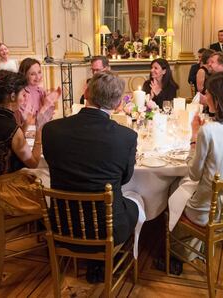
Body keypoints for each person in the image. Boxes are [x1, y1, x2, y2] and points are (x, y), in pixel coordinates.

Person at [42, 71, 142, 283]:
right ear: (116, 105)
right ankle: (107, 261)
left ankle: (93, 263)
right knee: (136, 205)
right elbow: (125, 179)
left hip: (62, 223)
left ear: (86, 93)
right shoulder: (126, 137)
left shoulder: (51, 130)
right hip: (107, 229)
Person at [167, 71, 223, 261]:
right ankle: (197, 247)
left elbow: (194, 173)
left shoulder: (208, 131)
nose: (205, 98)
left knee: (172, 190)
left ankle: (179, 252)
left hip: (206, 212)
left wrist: (194, 137)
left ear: (217, 99)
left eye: (208, 94)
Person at [0, 70, 52, 215]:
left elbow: (6, 142)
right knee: (51, 177)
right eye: (23, 94)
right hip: (6, 192)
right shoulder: (10, 127)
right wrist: (39, 130)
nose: (24, 98)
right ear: (12, 96)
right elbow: (34, 163)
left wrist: (23, 126)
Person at [17, 58, 60, 127]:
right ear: (24, 75)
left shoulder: (41, 91)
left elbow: (48, 117)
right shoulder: (22, 95)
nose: (38, 77)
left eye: (39, 72)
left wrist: (51, 100)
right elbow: (28, 122)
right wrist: (46, 106)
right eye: (32, 74)